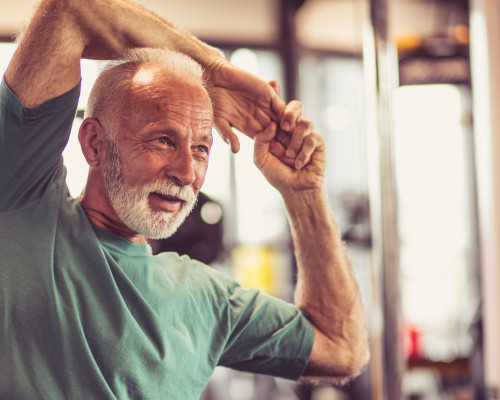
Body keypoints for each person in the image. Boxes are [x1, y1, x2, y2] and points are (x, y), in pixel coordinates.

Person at [0, 0, 369, 398]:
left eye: (201, 148)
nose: (187, 172)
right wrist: (213, 69)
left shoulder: (205, 300)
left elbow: (342, 347)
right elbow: (69, 13)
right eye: (163, 140)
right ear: (94, 143)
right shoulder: (24, 202)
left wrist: (304, 193)